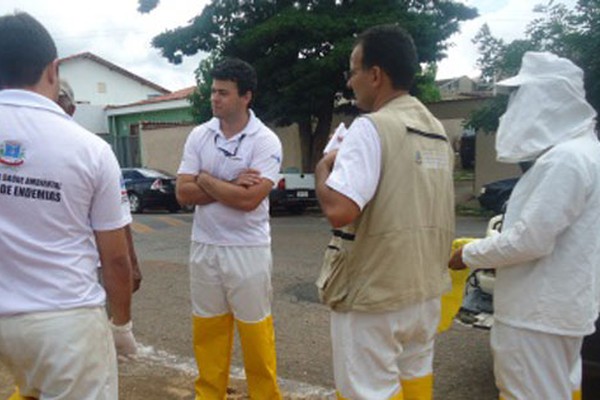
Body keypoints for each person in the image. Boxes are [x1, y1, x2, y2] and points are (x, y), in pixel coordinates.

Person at [0, 12, 136, 400]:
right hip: (64, 321)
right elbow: (116, 259)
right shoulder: (90, 148)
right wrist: (121, 325)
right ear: (53, 70)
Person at [449, 51, 600, 400]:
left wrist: (469, 254)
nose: (513, 107)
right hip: (558, 311)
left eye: (521, 96)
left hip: (536, 315)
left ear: (547, 99)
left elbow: (529, 241)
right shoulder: (585, 152)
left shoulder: (566, 159)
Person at [315, 25, 455, 400]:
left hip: (374, 295)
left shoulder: (371, 128)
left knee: (367, 391)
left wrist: (323, 169)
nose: (350, 81)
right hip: (424, 292)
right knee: (415, 383)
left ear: (375, 75)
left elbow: (340, 210)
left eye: (354, 70)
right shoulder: (436, 131)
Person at [176, 58, 283, 399]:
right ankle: (209, 394)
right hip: (204, 245)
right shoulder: (199, 135)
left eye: (223, 93)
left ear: (245, 96)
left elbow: (249, 200)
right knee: (207, 331)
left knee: (255, 333)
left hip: (247, 249)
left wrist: (204, 179)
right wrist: (227, 183)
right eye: (213, 91)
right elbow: (182, 193)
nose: (214, 98)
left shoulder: (265, 141)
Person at [58, 78, 143, 292]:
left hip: (89, 270)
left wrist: (131, 263)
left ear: (72, 109)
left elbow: (120, 217)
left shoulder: (94, 152)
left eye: (59, 102)